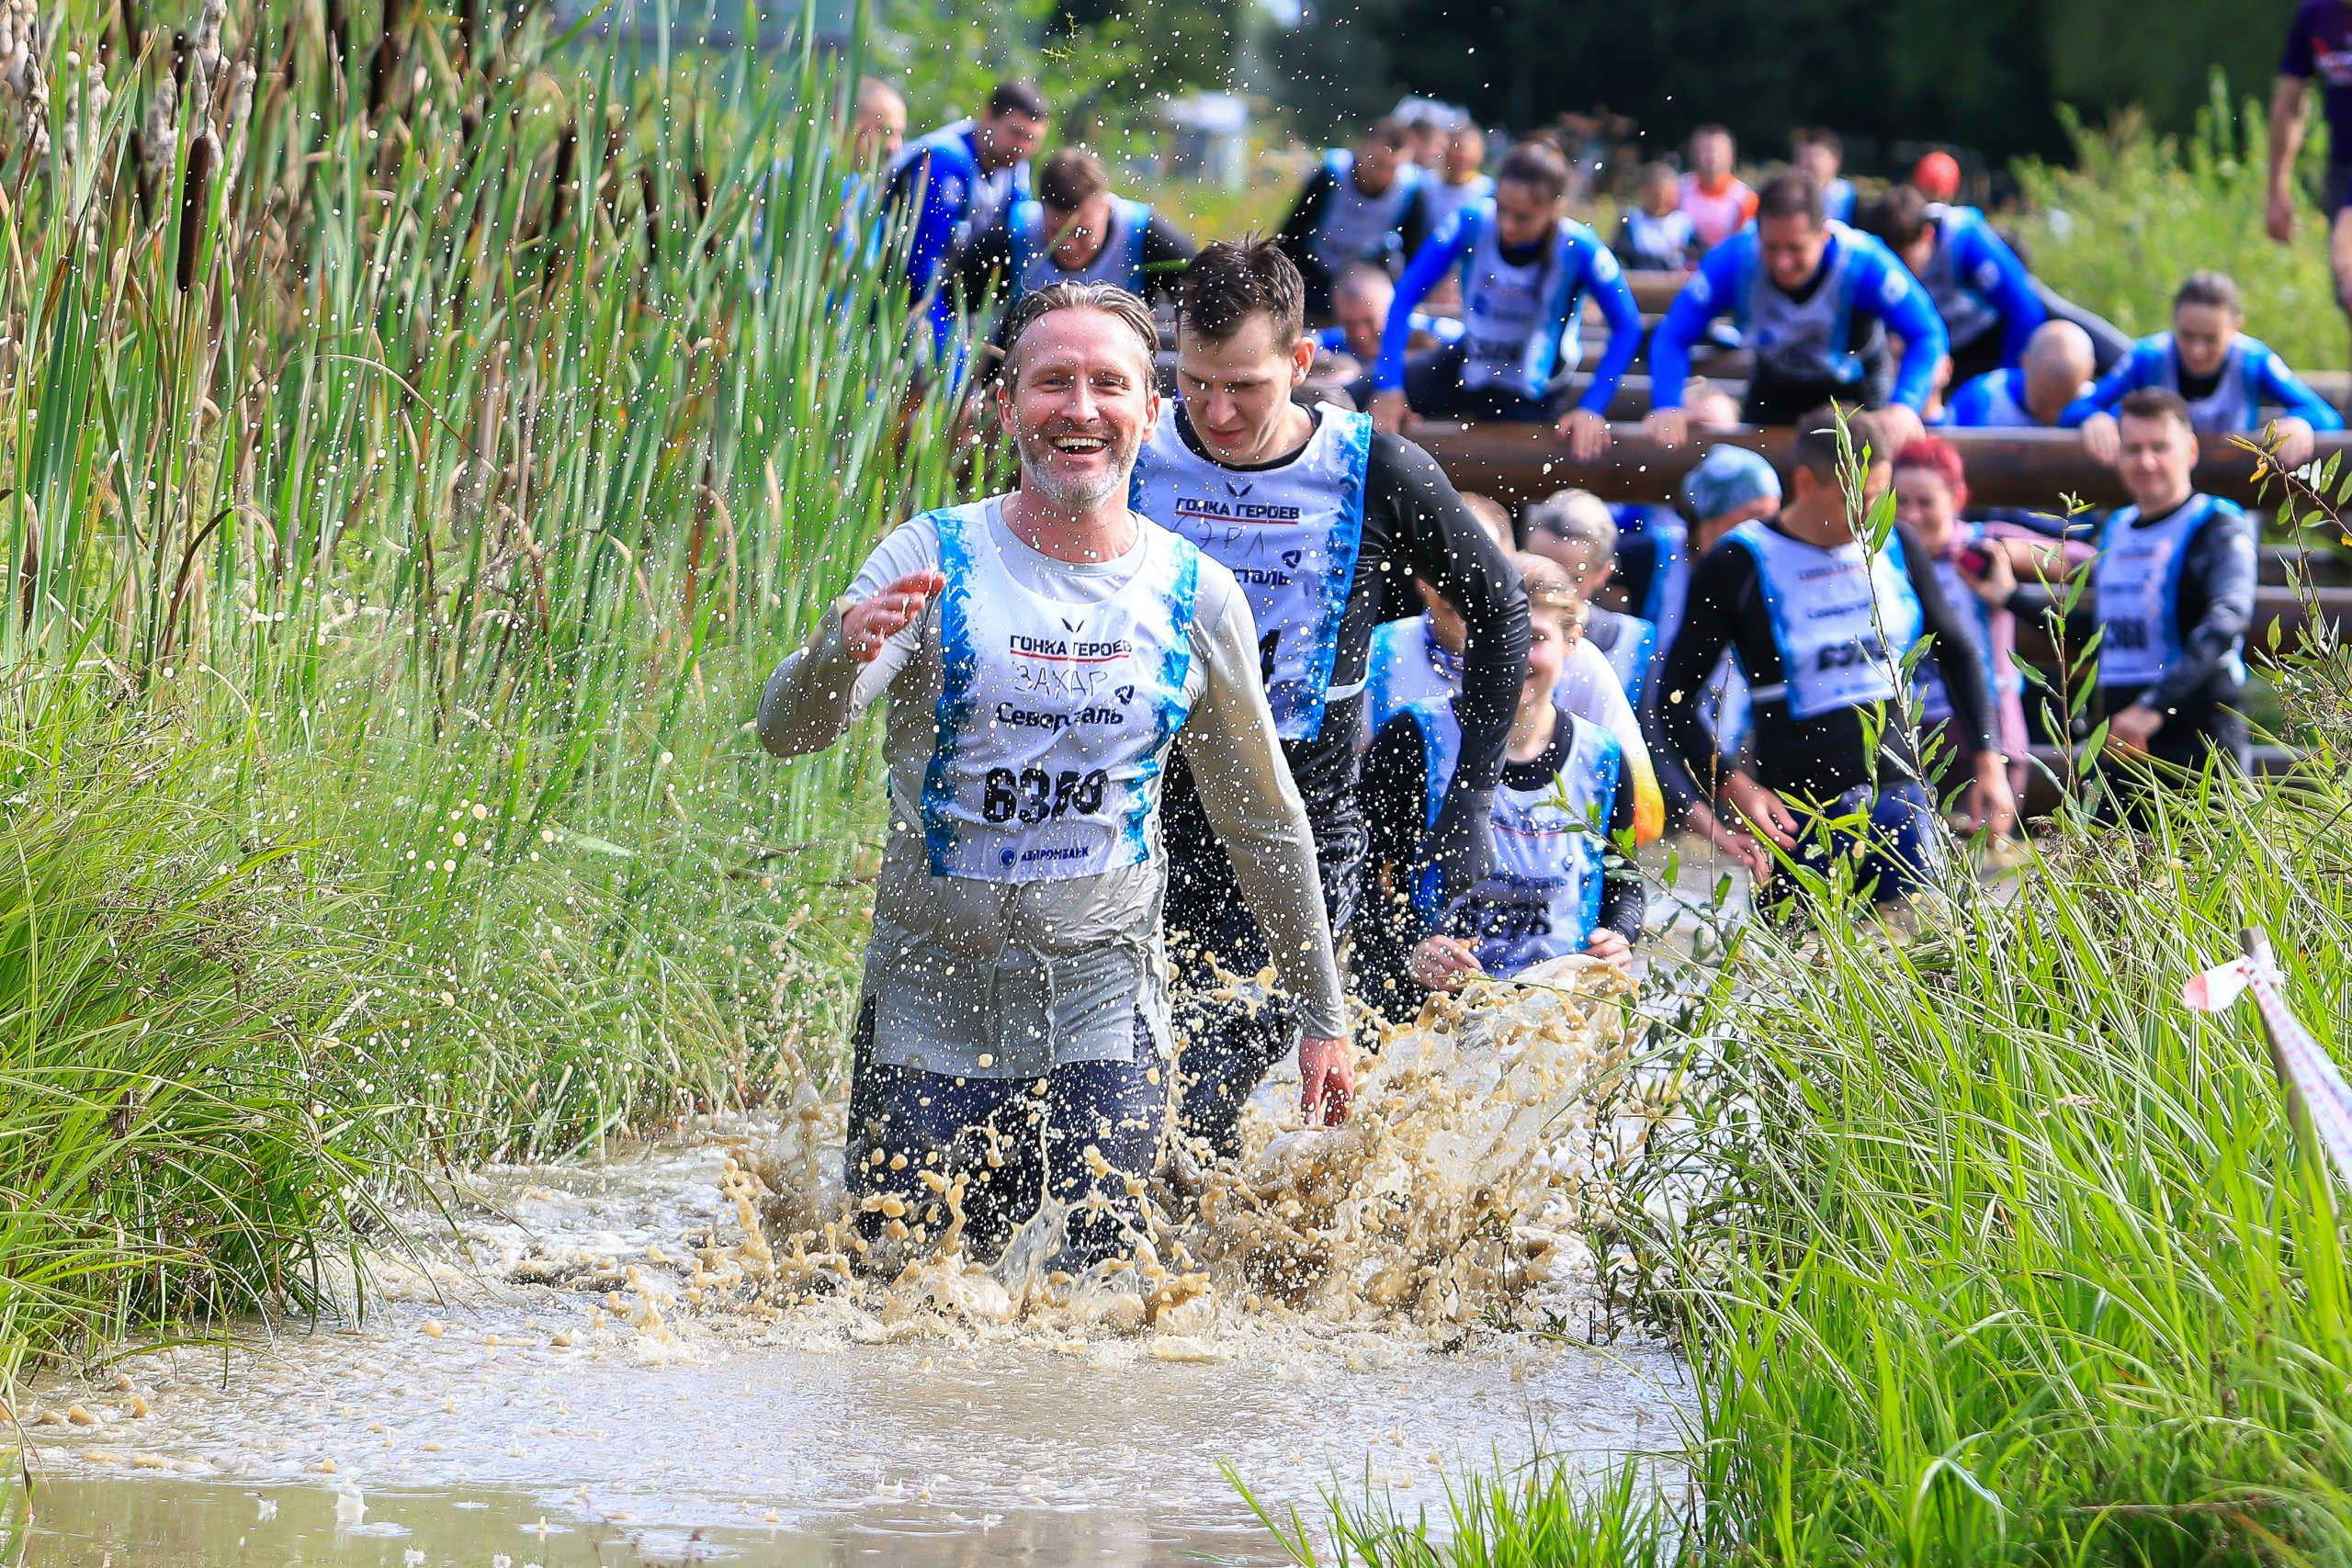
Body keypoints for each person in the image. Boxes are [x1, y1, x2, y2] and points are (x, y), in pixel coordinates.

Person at [755, 283, 1351, 1271]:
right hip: (925, 1005)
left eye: (1107, 384)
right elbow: (790, 734)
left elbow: (1265, 822)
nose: (1080, 408)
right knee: (894, 1300)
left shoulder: (1197, 595)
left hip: (1101, 1007)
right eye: (1052, 382)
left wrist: (1322, 1020)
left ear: (1148, 413)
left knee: (1101, 1300)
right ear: (1006, 406)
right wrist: (832, 652)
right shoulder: (931, 556)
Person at [1127, 240, 1529, 1161]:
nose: (1216, 412)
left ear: (1300, 366)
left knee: (1198, 1087)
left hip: (1296, 831)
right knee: (1110, 1076)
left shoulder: (1375, 470)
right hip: (1141, 814)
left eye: (1246, 387)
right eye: (1194, 382)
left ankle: (1186, 1286)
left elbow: (1502, 609)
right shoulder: (1133, 451)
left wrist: (1471, 797)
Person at [1656, 409, 2016, 909]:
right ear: (1806, 482)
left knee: (1920, 965)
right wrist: (1734, 784)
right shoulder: (1737, 563)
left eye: (1881, 495)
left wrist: (1987, 760)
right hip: (1797, 813)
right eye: (1863, 497)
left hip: (1900, 799)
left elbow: (1958, 652)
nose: (1876, 512)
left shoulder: (1894, 542)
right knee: (1797, 973)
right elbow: (1672, 700)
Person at [1360, 554, 1645, 1004]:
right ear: (1470, 636)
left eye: (1534, 638)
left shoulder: (1604, 758)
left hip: (1557, 1017)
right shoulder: (1412, 738)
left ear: (1572, 642)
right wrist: (1409, 948)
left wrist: (1619, 937)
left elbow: (1625, 880)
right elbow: (1360, 879)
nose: (1514, 655)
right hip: (1429, 1012)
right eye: (1500, 634)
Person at [1364, 493, 1668, 852]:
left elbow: (1644, 819)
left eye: (1481, 569)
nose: (1462, 586)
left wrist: (1542, 835)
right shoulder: (1383, 652)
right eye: (1444, 567)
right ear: (1419, 575)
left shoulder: (1575, 661)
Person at [1369, 141, 1642, 458]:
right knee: (1360, 398)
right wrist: (1389, 386)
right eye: (1502, 209)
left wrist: (1592, 407)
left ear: (1555, 207)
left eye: (1523, 217)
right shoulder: (1471, 222)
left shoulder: (1579, 248)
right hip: (1469, 365)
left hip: (1534, 392)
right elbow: (1404, 296)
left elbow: (1628, 326)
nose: (1508, 225)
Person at [1645, 173, 1949, 445]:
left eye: (1796, 248)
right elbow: (1673, 335)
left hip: (1857, 392)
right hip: (1776, 387)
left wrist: (1905, 406)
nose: (1782, 263)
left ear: (1823, 234)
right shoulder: (1735, 260)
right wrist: (1668, 403)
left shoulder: (1865, 264)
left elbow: (1928, 333)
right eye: (1771, 247)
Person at [2092, 389, 2259, 793]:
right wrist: (2009, 595)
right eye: (2133, 448)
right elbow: (2107, 625)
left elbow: (2229, 617)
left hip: (2200, 734)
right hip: (2122, 734)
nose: (2146, 461)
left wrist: (2154, 706)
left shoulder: (2217, 524)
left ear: (2190, 450)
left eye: (2159, 447)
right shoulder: (2116, 527)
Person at [1889, 435, 2037, 802]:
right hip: (1910, 735)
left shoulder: (1982, 544)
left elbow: (2085, 559)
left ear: (1957, 499)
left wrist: (2010, 560)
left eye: (1926, 502)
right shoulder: (1883, 556)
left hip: (1990, 730)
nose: (1911, 515)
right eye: (1901, 502)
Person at [2069, 271, 2339, 469]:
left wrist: (2301, 423)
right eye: (2187, 336)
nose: (2197, 350)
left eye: (2211, 339)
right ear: (2174, 323)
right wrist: (2094, 419)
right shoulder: (2148, 357)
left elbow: (2326, 417)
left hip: (2232, 493)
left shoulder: (2252, 360)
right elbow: (2075, 410)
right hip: (2156, 492)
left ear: (2236, 328)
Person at [950, 148, 1194, 314]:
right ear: (1041, 209)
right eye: (1055, 231)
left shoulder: (1147, 236)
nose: (1067, 245)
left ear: (1107, 208)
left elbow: (1202, 299)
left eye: (1082, 233)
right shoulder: (1011, 235)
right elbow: (953, 303)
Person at [885, 80, 1049, 321]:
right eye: (1015, 133)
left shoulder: (1015, 166)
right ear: (988, 117)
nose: (1021, 147)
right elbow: (921, 264)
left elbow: (1020, 242)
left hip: (953, 285)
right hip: (899, 287)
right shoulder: (945, 161)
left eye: (1032, 140)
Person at [1858, 185, 2046, 385]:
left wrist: (2005, 383)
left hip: (1986, 339)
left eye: (1906, 260)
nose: (1900, 271)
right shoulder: (1875, 258)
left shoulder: (1965, 240)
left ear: (1927, 235)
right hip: (1933, 345)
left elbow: (2026, 309)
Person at [1274, 119, 1432, 321]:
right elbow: (1292, 233)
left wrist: (1412, 299)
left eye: (1392, 168)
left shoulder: (1411, 189)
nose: (1383, 175)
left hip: (1364, 273)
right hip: (1315, 267)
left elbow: (1414, 252)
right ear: (1362, 149)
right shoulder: (1332, 174)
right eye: (1377, 164)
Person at [1524, 489, 1657, 710]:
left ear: (1603, 574)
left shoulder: (1632, 641)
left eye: (1571, 579)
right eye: (1538, 571)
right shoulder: (1496, 630)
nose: (1550, 591)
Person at [2267, 0, 2352, 345]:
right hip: (2343, 167)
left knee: (2346, 258)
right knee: (2346, 291)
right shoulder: (2316, 15)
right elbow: (2290, 101)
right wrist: (2276, 188)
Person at [1944, 318, 2096, 428]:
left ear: (2089, 374)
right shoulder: (1982, 400)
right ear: (2024, 363)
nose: (2052, 415)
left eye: (2065, 404)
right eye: (2042, 403)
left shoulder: (2095, 404)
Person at [1679, 124, 1758, 252]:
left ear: (1732, 156)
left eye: (1717, 151)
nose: (1710, 157)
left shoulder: (1746, 198)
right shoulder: (1679, 189)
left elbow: (1747, 245)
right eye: (1704, 150)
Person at [1614, 163, 1698, 273]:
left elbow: (1696, 254)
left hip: (1677, 284)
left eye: (1667, 195)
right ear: (1644, 192)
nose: (1661, 201)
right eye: (1656, 195)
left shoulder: (1684, 223)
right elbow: (1619, 254)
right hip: (1641, 283)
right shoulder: (1633, 220)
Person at [1422, 121, 1494, 236]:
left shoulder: (1488, 191)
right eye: (1453, 146)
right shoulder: (1426, 185)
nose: (1457, 154)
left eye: (1463, 148)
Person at [1792, 128, 1854, 224]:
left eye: (1815, 156)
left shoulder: (1854, 202)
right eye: (1802, 157)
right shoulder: (1790, 200)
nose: (1807, 164)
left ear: (1836, 160)